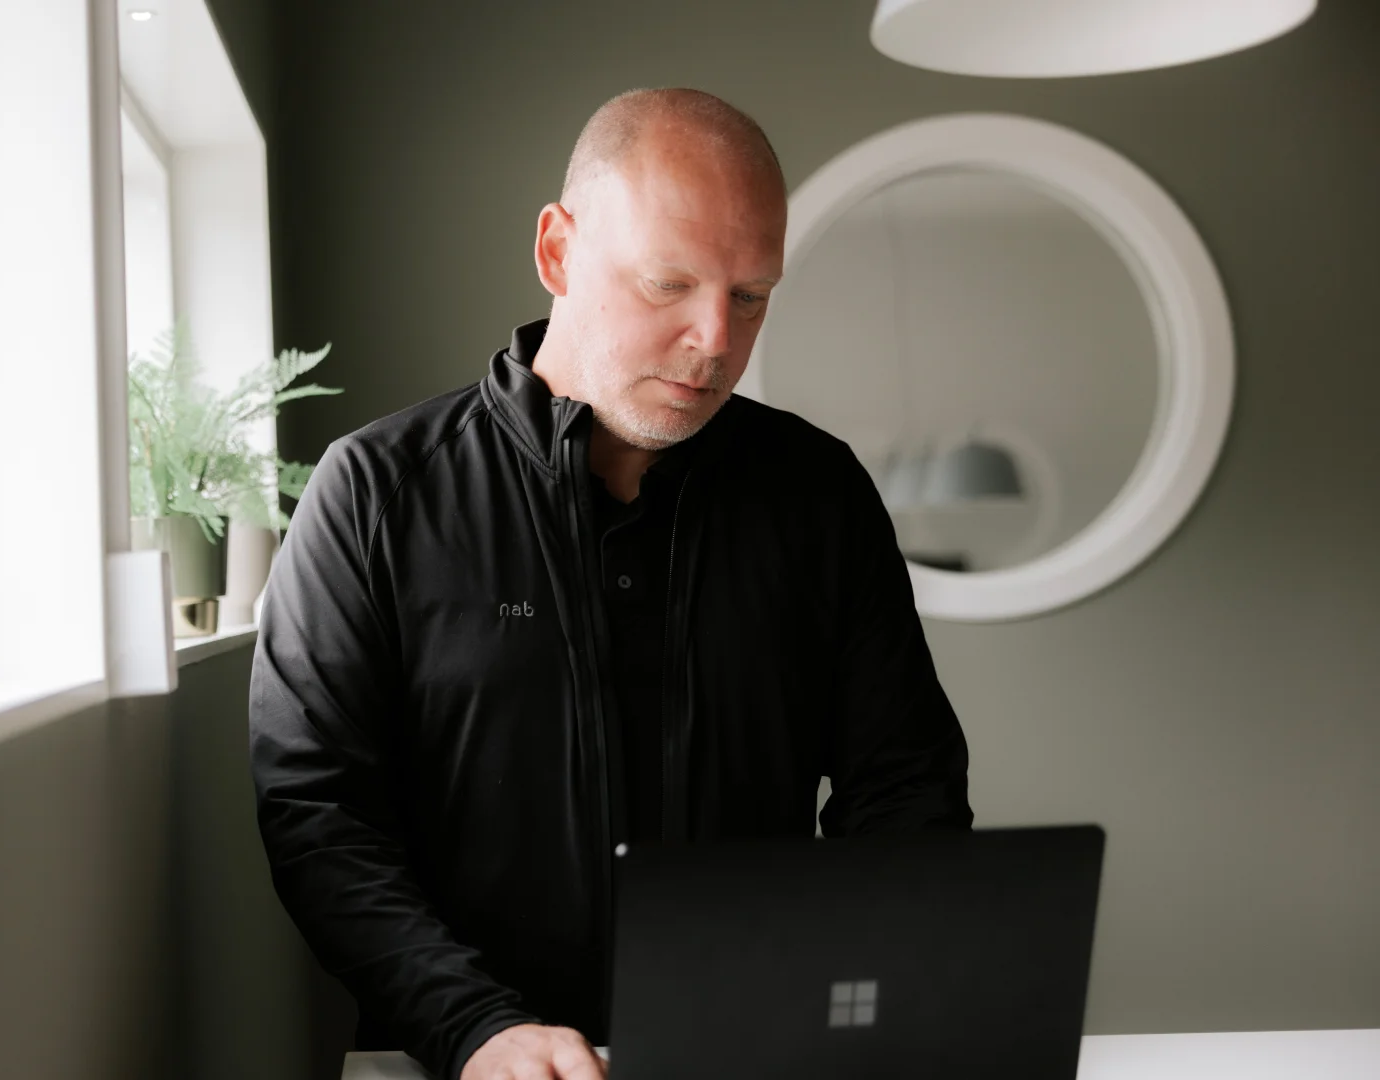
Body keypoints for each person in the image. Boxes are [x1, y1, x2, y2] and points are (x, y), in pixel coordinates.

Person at [249, 88, 972, 1080]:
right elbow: (319, 814)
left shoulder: (819, 494)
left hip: (763, 1054)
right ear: (557, 252)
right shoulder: (374, 493)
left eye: (750, 295)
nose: (715, 338)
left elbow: (905, 787)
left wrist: (857, 998)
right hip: (454, 1060)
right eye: (669, 283)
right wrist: (473, 1027)